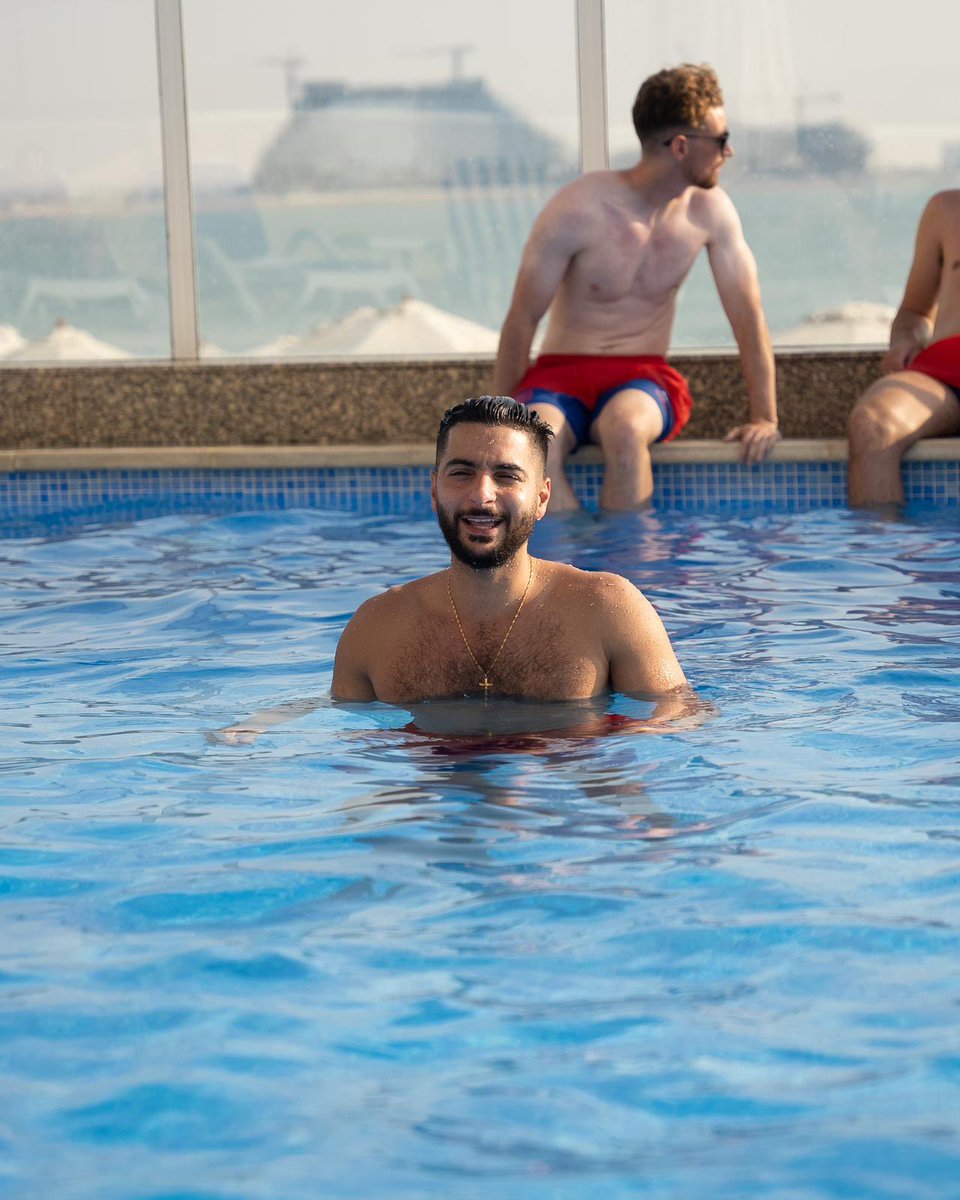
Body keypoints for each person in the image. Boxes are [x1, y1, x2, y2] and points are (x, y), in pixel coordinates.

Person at [493, 62, 780, 512]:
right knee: (533, 443)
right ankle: (564, 570)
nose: (730, 151)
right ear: (682, 146)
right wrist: (499, 422)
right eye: (721, 140)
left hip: (642, 378)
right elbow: (521, 320)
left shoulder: (710, 212)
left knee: (625, 429)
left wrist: (765, 416)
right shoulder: (577, 208)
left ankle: (629, 571)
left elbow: (748, 317)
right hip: (558, 375)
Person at [331, 396, 690, 707]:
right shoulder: (376, 629)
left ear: (542, 498)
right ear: (435, 490)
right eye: (461, 473)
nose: (482, 495)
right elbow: (348, 756)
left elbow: (674, 727)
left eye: (507, 476)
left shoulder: (609, 611)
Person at [847, 190, 960, 506]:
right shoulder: (946, 209)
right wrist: (905, 339)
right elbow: (914, 313)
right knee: (872, 423)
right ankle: (883, 553)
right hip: (945, 373)